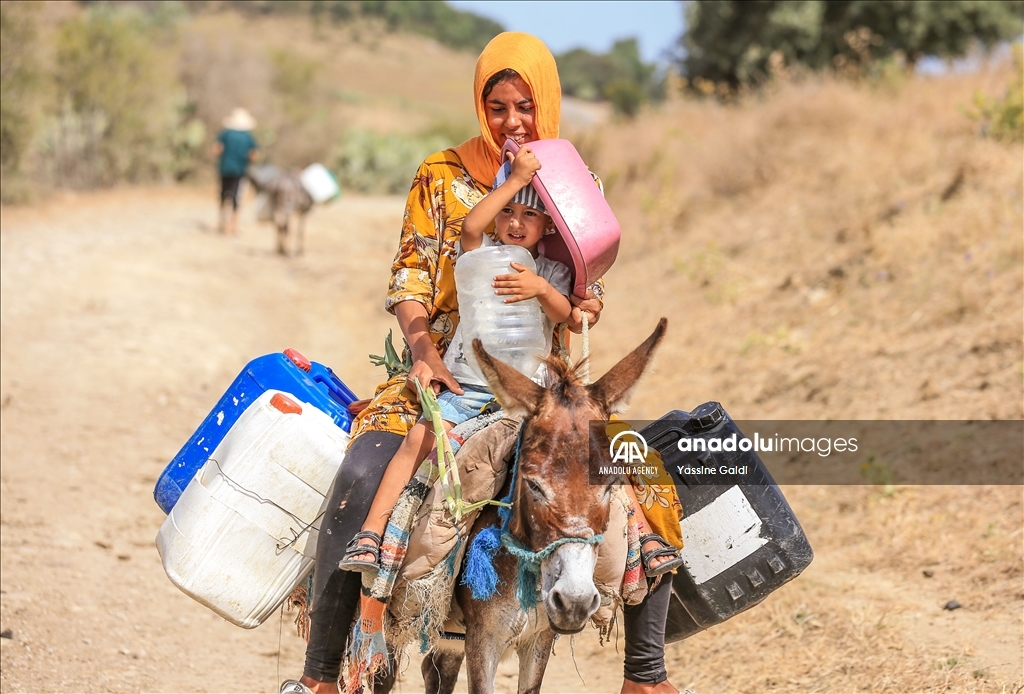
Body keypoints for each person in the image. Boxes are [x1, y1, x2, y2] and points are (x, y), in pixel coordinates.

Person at [280, 32, 681, 694]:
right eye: (498, 108)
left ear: (546, 102)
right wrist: (423, 355)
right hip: (447, 370)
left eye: (525, 106)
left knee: (645, 475)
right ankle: (322, 672)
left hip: (543, 385)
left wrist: (583, 304)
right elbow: (411, 279)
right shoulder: (440, 175)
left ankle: (645, 674)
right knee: (362, 469)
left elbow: (587, 290)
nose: (512, 122)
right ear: (479, 105)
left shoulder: (575, 181)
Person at [338, 146, 573, 572]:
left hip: (527, 393)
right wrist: (516, 180)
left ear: (549, 225)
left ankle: (617, 545)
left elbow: (565, 316)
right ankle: (371, 534)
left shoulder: (551, 273)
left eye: (530, 215)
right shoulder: (479, 254)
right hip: (469, 385)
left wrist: (540, 289)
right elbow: (471, 226)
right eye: (508, 212)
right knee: (418, 440)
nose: (516, 223)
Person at [213, 107, 259, 236]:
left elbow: (216, 149)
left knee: (223, 195)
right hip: (240, 170)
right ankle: (233, 226)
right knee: (236, 198)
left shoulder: (225, 134)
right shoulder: (248, 137)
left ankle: (222, 223)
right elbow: (254, 155)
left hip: (224, 168)